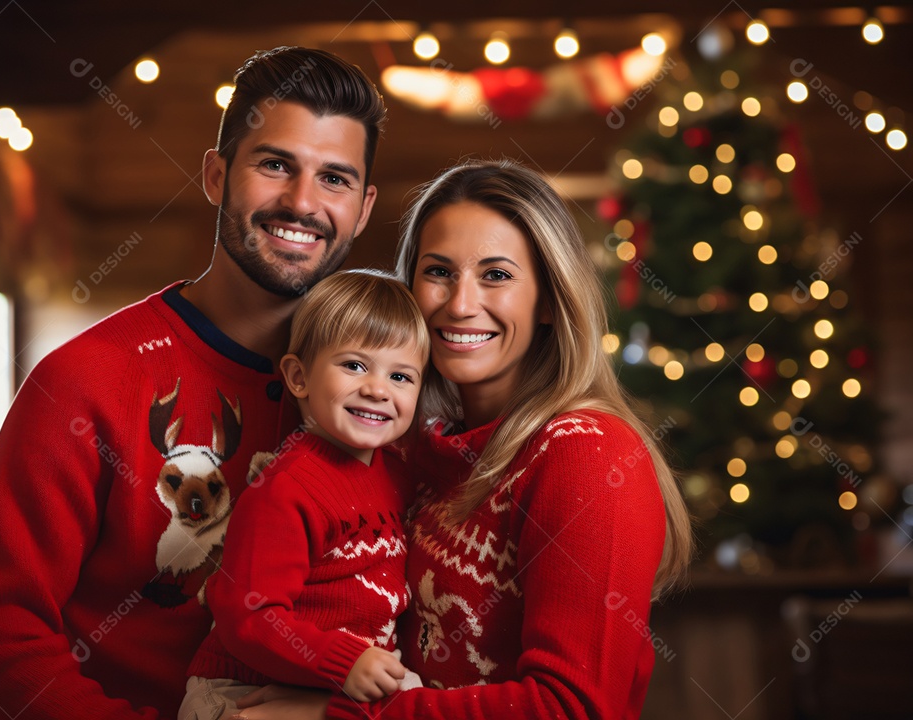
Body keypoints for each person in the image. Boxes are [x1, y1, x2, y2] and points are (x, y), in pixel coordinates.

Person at [0, 47, 386, 720]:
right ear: (216, 176)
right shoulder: (83, 383)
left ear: (363, 208)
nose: (302, 202)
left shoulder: (390, 401)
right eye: (274, 165)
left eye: (334, 179)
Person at [229, 159, 693, 720]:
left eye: (496, 275)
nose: (460, 304)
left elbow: (572, 709)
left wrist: (344, 715)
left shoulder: (587, 453)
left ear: (549, 300)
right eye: (438, 271)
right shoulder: (410, 454)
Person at [180, 270, 428, 720]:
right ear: (299, 377)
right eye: (354, 366)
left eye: (401, 376)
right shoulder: (287, 488)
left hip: (331, 686)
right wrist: (342, 662)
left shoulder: (398, 475)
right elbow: (248, 615)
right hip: (243, 689)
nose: (377, 389)